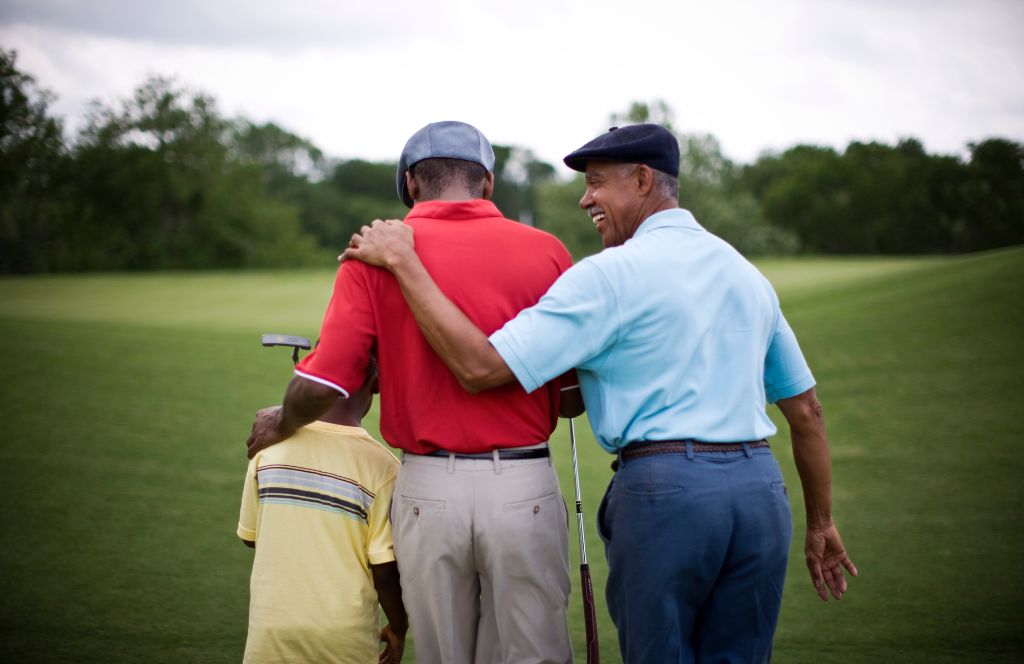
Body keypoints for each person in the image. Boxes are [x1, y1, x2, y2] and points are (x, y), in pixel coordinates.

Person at [342, 124, 858, 663]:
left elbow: (480, 367)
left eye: (595, 183)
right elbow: (807, 410)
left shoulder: (607, 276)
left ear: (641, 180)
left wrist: (405, 262)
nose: (585, 197)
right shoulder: (746, 273)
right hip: (759, 493)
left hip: (666, 494)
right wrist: (821, 522)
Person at [246, 121, 579, 664]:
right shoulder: (546, 252)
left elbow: (326, 383)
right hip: (523, 485)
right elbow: (570, 400)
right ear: (487, 183)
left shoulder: (373, 252)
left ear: (411, 183)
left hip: (428, 490)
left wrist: (282, 422)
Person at [238, 357, 408, 664]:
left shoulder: (267, 451)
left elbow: (251, 537)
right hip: (345, 635)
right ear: (378, 383)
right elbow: (385, 572)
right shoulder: (386, 470)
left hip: (271, 626)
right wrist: (398, 626)